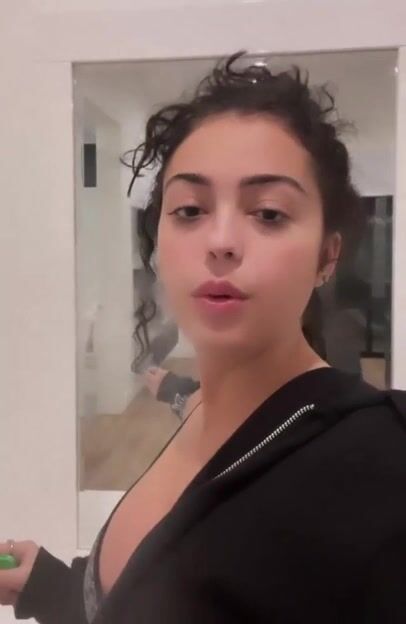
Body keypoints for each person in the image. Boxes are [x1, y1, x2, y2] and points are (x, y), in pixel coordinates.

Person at [2, 51, 406, 624]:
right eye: (189, 210)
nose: (220, 241)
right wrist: (54, 587)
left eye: (268, 213)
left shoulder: (383, 466)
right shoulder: (200, 410)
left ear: (328, 255)